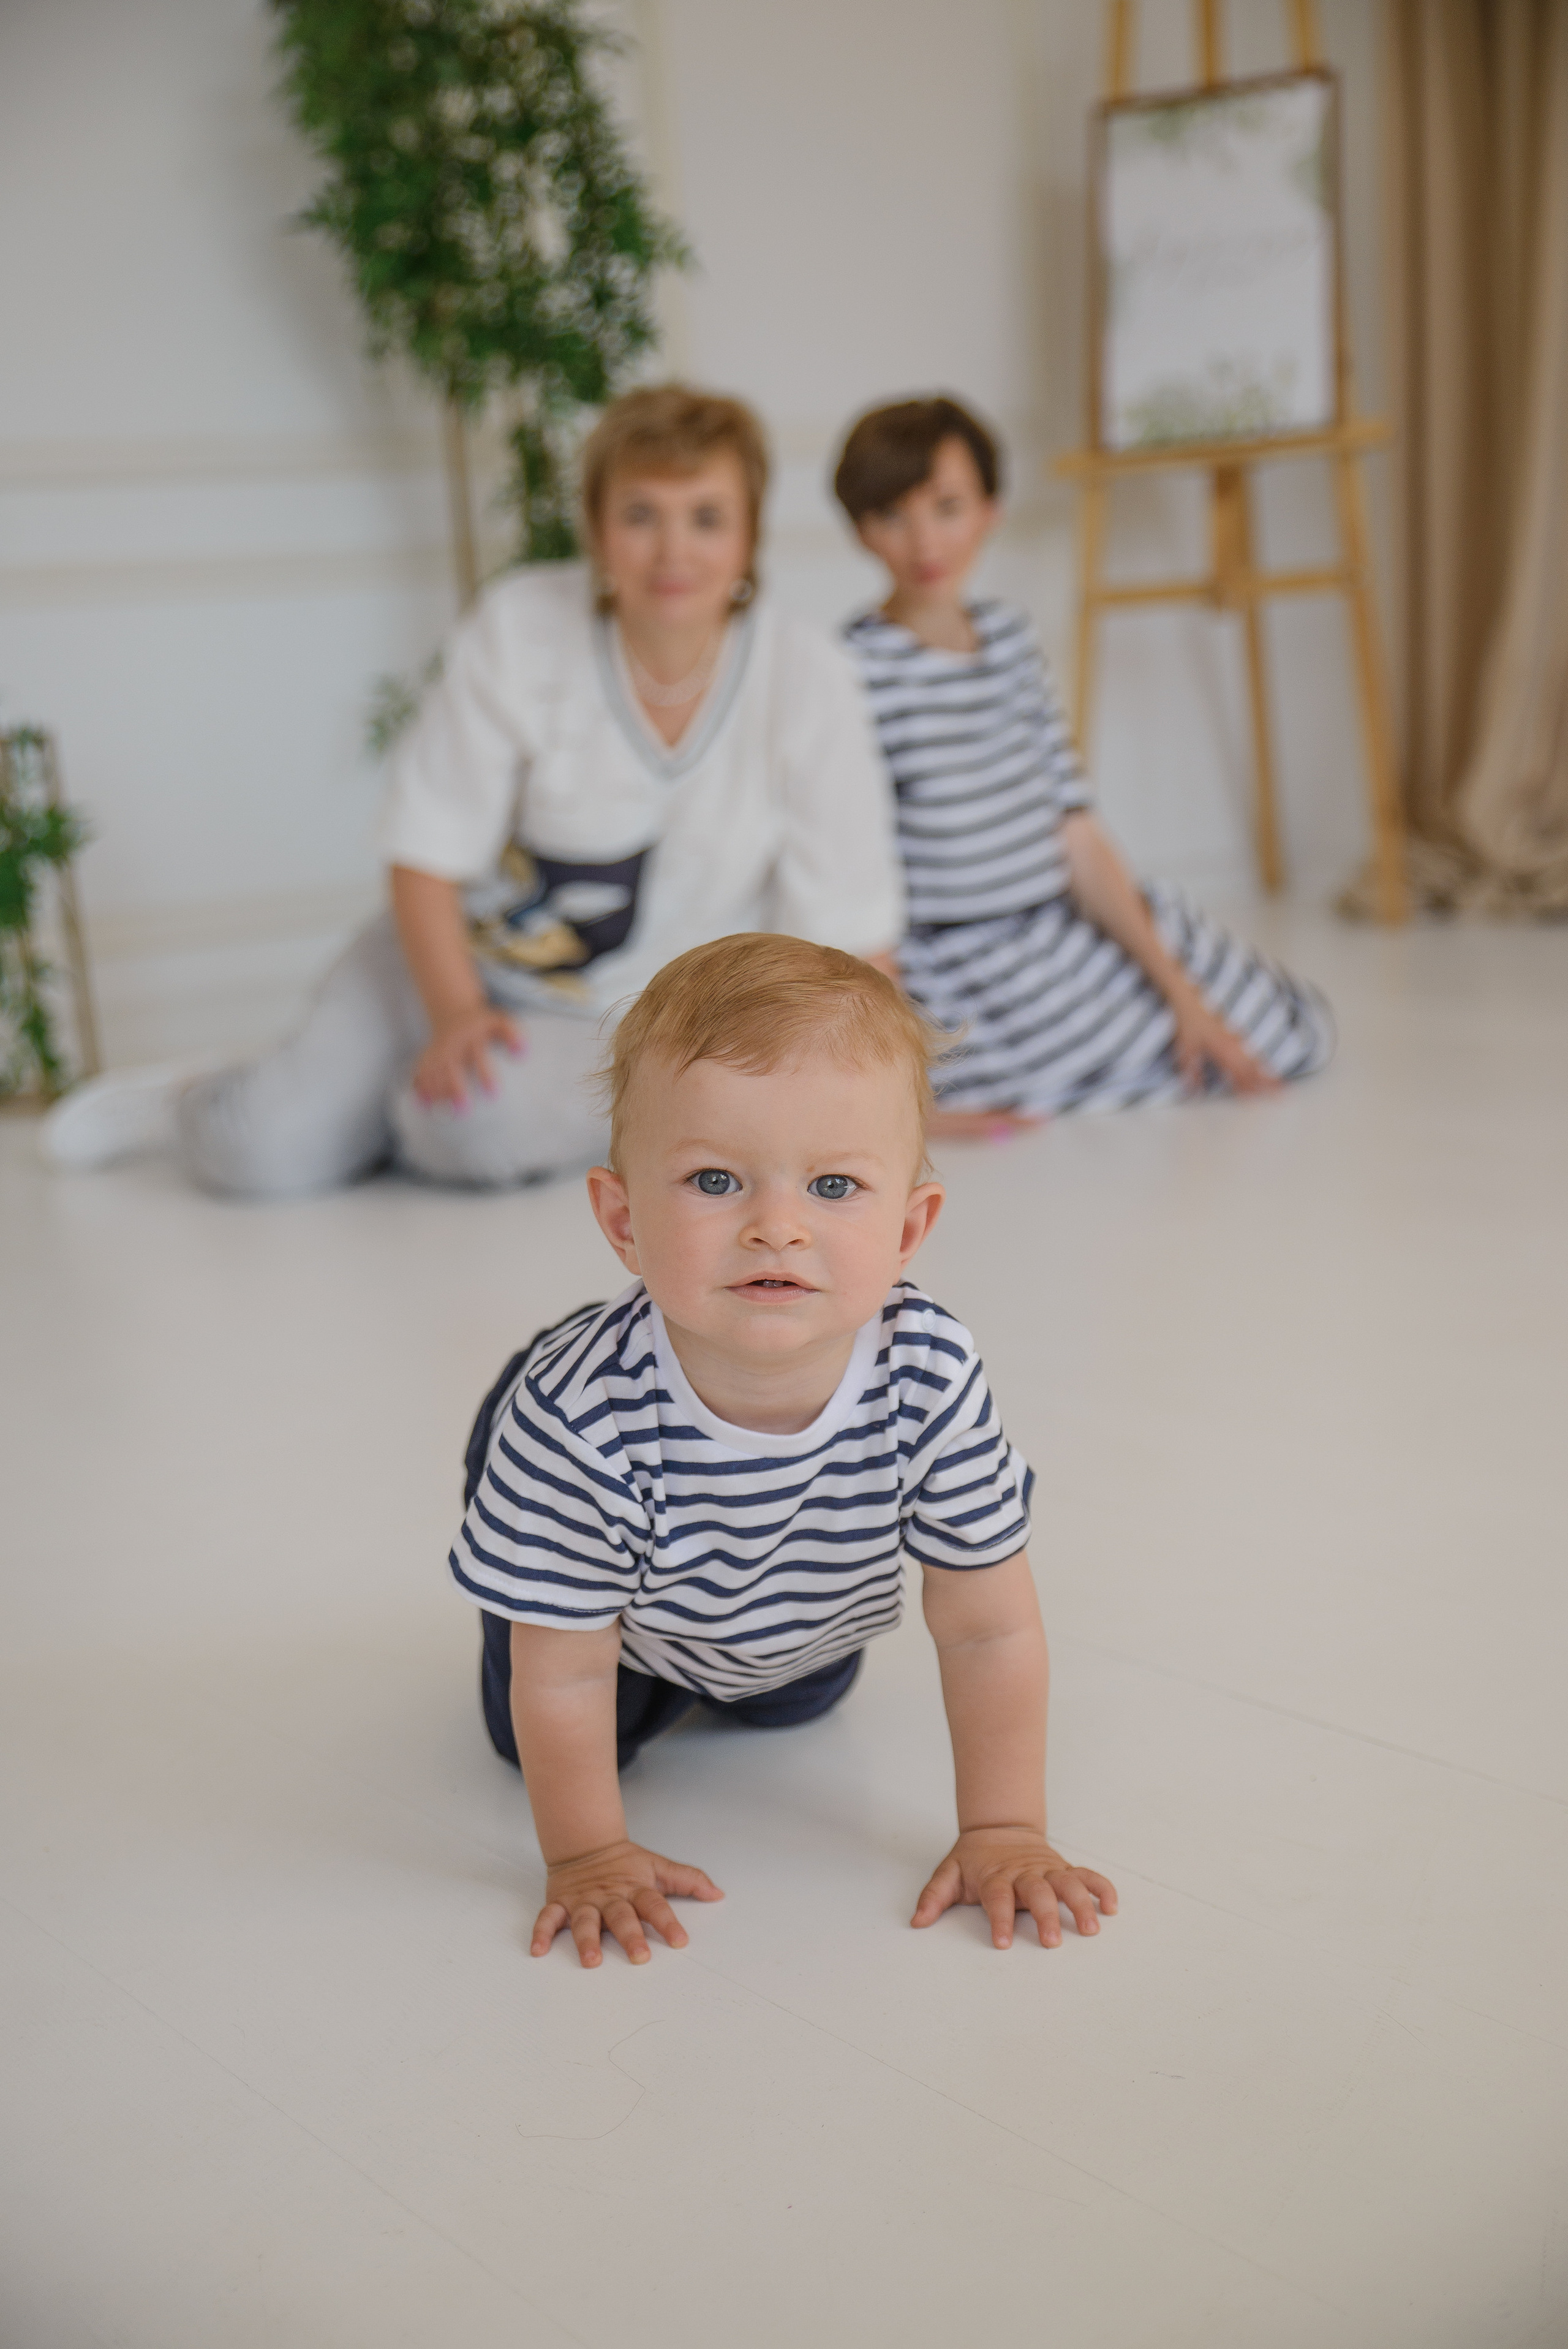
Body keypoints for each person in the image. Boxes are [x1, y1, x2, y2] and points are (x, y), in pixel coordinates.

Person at [45, 387, 903, 1195]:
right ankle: (210, 1097)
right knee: (264, 1149)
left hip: (622, 1025)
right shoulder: (520, 628)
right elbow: (425, 851)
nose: (674, 550)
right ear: (599, 532)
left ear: (750, 538)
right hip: (442, 961)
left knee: (473, 1127)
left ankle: (364, 1103)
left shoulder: (810, 679)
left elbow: (852, 937)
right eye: (641, 515)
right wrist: (454, 1011)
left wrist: (866, 1111)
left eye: (706, 518)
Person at [454, 931, 1118, 1969]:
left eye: (835, 1187)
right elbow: (566, 1676)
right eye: (716, 1179)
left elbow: (989, 1625)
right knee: (533, 1723)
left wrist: (1004, 1827)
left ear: (910, 1226)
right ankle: (543, 1554)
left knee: (798, 1701)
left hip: (794, 1625)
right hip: (612, 1625)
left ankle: (738, 1662)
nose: (776, 1227)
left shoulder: (931, 1370)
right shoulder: (580, 1416)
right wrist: (587, 1851)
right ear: (622, 1218)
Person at [833, 396, 1334, 1138]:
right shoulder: (853, 667)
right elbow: (855, 866)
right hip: (958, 962)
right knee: (985, 1085)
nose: (924, 540)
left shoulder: (1007, 639)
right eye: (892, 516)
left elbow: (1074, 828)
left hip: (1058, 932)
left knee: (1283, 1034)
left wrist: (1182, 998)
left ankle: (1151, 1029)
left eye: (947, 507)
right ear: (860, 529)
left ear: (989, 511)